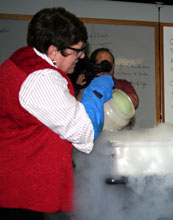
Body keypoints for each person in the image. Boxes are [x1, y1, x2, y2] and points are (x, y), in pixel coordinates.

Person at [0, 7, 114, 219]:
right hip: (17, 197)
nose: (81, 57)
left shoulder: (20, 61)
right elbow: (84, 132)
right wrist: (99, 89)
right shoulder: (42, 79)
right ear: (53, 51)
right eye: (76, 51)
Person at [74, 48, 139, 109]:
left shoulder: (122, 84)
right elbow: (75, 109)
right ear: (94, 65)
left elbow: (135, 102)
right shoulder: (86, 83)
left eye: (110, 64)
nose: (107, 67)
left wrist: (109, 91)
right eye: (103, 64)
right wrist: (82, 91)